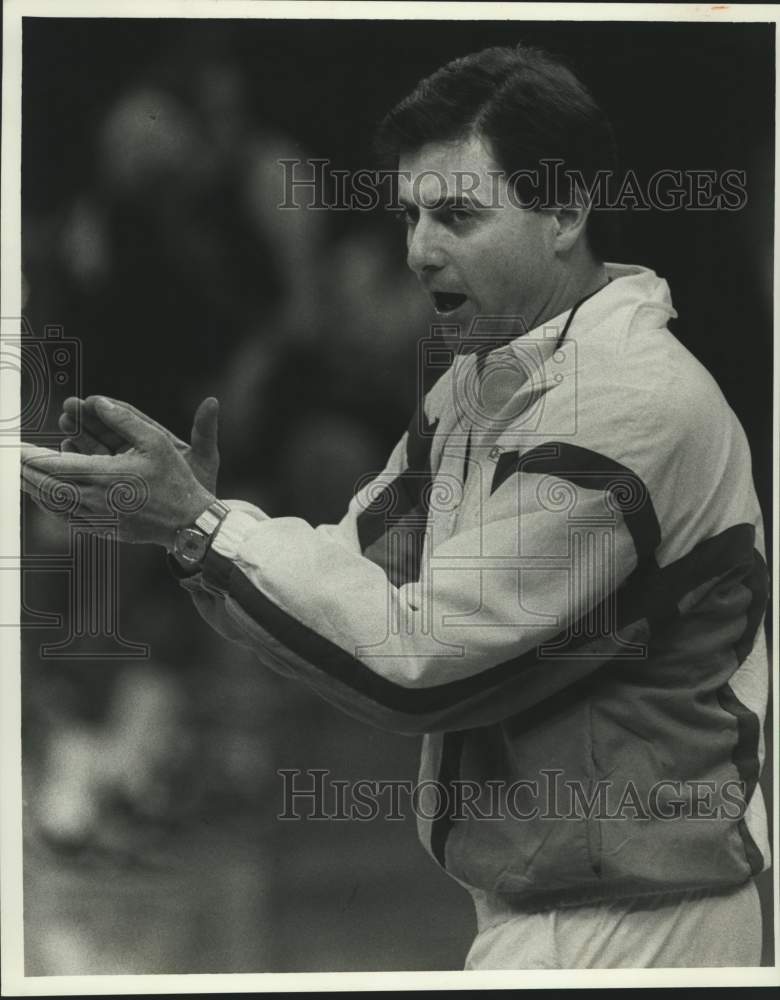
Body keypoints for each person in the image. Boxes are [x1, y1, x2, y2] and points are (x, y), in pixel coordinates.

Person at [21, 44, 770, 970]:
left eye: (458, 214)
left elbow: (420, 660)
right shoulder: (476, 387)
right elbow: (352, 572)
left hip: (655, 927)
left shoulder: (631, 406)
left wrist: (202, 526)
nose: (419, 250)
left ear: (567, 210)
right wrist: (191, 524)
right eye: (411, 214)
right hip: (551, 915)